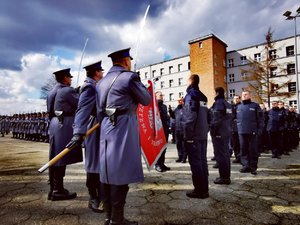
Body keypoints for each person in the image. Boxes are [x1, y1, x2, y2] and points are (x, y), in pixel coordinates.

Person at [96, 48, 151, 225]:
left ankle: (108, 216)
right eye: (130, 60)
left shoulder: (101, 82)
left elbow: (98, 110)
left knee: (106, 172)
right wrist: (139, 82)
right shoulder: (130, 77)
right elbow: (146, 99)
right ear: (126, 61)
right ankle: (117, 220)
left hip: (106, 126)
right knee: (120, 173)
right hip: (123, 126)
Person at [66, 61, 104, 213]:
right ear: (96, 73)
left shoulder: (96, 85)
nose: (103, 73)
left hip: (100, 127)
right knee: (94, 164)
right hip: (92, 129)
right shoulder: (89, 86)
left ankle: (102, 194)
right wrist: (78, 133)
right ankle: (93, 197)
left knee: (100, 164)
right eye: (101, 71)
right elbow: (82, 110)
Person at [47, 68, 82, 201]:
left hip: (55, 123)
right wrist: (78, 93)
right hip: (64, 124)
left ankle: (55, 189)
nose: (71, 79)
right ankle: (57, 190)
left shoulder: (52, 92)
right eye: (69, 77)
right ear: (65, 78)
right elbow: (80, 104)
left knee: (55, 157)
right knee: (61, 158)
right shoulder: (67, 90)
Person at [183, 74, 209, 198]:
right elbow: (207, 116)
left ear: (191, 81)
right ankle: (205, 189)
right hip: (202, 134)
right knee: (203, 162)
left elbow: (190, 117)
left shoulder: (191, 96)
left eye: (187, 80)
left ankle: (199, 191)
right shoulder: (203, 96)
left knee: (196, 163)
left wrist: (188, 136)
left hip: (194, 136)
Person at [236, 90, 263, 175]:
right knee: (243, 149)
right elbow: (234, 119)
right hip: (241, 131)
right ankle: (245, 166)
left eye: (246, 94)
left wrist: (259, 130)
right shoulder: (239, 107)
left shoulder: (255, 106)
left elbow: (260, 119)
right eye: (243, 94)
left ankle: (253, 167)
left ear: (250, 96)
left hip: (252, 131)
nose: (244, 96)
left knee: (253, 150)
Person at [210, 87, 232, 185]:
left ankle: (224, 178)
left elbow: (216, 119)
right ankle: (226, 176)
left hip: (219, 133)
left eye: (213, 92)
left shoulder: (218, 103)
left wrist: (213, 130)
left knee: (221, 155)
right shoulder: (227, 104)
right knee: (225, 154)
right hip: (226, 131)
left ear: (217, 93)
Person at [154, 91, 171, 172]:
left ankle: (162, 163)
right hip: (158, 131)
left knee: (164, 148)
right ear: (155, 96)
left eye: (162, 95)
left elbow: (167, 117)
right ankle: (157, 164)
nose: (161, 96)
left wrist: (168, 125)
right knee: (158, 148)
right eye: (160, 95)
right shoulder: (154, 106)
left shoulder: (164, 106)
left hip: (165, 130)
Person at [171, 98, 187, 163]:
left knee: (184, 144)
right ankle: (180, 157)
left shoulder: (185, 108)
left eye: (181, 100)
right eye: (178, 101)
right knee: (178, 144)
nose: (179, 102)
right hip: (177, 129)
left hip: (184, 129)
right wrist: (170, 111)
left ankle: (184, 158)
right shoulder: (177, 109)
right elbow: (173, 116)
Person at [231, 95, 241, 163]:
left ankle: (241, 157)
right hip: (232, 128)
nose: (236, 100)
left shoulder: (241, 106)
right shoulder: (231, 106)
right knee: (234, 144)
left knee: (241, 143)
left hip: (240, 127)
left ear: (240, 99)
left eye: (237, 98)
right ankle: (237, 157)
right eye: (235, 98)